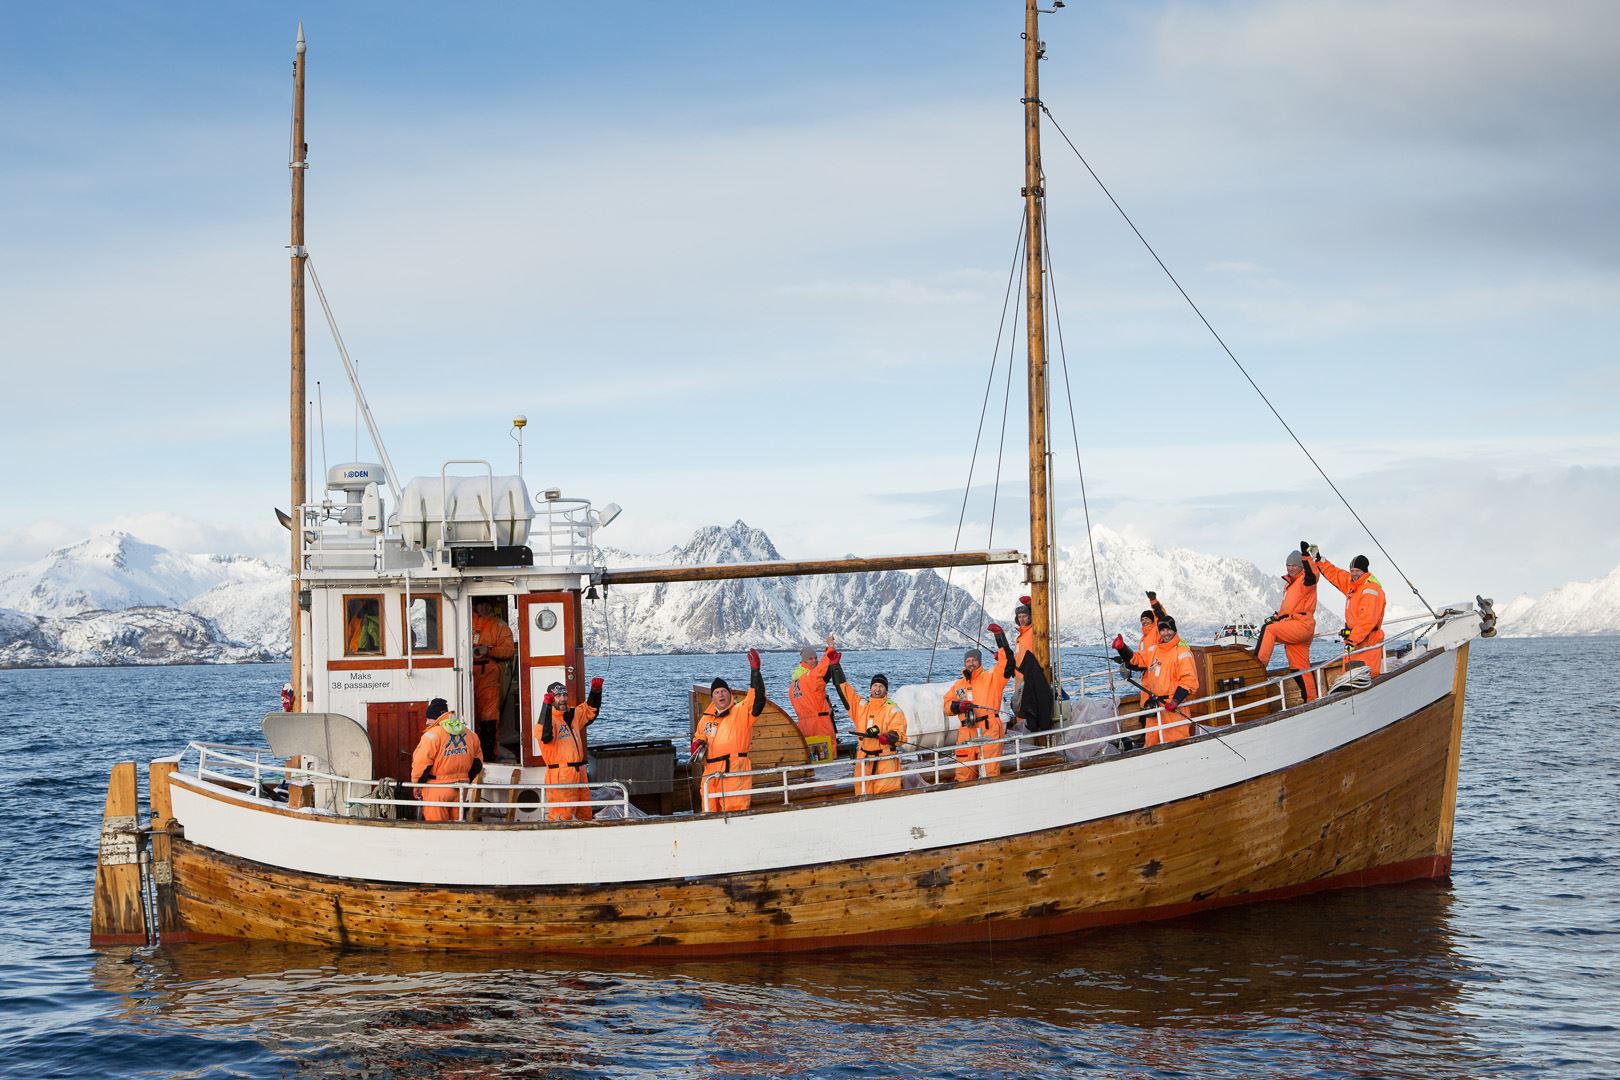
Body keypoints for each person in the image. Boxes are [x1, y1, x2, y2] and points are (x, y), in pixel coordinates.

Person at [692, 649, 768, 813]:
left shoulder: (741, 711)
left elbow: (758, 700)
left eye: (724, 691)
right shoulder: (705, 719)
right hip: (710, 772)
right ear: (712, 697)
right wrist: (697, 744)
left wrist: (755, 672)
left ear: (730, 694)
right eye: (717, 692)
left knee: (735, 810)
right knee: (709, 810)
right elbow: (698, 737)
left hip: (734, 769)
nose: (721, 695)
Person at [944, 624, 1016, 781]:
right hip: (966, 732)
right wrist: (958, 706)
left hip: (989, 729)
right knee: (963, 774)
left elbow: (1007, 663)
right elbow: (946, 707)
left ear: (980, 662)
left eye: (974, 660)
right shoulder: (959, 685)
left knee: (990, 772)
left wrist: (1000, 638)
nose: (971, 663)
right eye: (968, 660)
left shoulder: (992, 678)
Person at [827, 657, 908, 796]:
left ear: (886, 690)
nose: (878, 689)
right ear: (870, 688)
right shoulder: (862, 707)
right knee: (862, 794)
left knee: (886, 796)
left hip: (885, 761)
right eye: (875, 685)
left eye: (881, 686)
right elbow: (846, 692)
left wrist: (888, 737)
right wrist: (835, 666)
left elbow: (900, 735)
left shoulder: (893, 709)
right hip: (864, 761)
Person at [1305, 543, 1388, 677]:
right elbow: (1335, 573)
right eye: (1352, 571)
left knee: (1367, 676)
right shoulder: (1352, 584)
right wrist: (1318, 558)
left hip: (1367, 642)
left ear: (1365, 571)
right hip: (1353, 641)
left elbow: (1368, 620)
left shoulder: (1371, 590)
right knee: (1350, 677)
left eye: (1358, 571)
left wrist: (1352, 640)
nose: (1354, 574)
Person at [1116, 615, 1199, 746]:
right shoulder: (1153, 650)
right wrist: (1122, 648)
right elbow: (1137, 660)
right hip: (1155, 707)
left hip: (1173, 707)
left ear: (1175, 630)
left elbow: (1189, 680)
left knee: (1176, 742)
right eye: (1162, 630)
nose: (1166, 633)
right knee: (1151, 743)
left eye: (1168, 630)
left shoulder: (1182, 652)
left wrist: (1175, 701)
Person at [1253, 549, 1319, 703]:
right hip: (1294, 625)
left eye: (1293, 565)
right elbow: (1288, 609)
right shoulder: (1290, 585)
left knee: (1270, 630)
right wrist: (1276, 617)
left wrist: (1306, 557)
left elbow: (1313, 575)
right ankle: (1311, 700)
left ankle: (1257, 666)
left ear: (1301, 567)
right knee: (1299, 667)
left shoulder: (1305, 580)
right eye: (1287, 565)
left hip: (1301, 625)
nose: (1290, 568)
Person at [535, 677, 603, 821]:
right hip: (560, 775)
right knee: (562, 815)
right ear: (551, 699)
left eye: (565, 695)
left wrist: (595, 692)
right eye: (558, 696)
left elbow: (589, 711)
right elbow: (545, 736)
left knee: (585, 813)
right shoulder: (548, 721)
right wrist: (546, 707)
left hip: (579, 772)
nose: (563, 699)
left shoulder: (572, 715)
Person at [410, 698, 483, 822]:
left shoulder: (431, 735)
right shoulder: (471, 735)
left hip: (437, 789)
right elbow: (478, 763)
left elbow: (421, 764)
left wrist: (417, 785)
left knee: (437, 828)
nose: (427, 722)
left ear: (435, 717)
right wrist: (466, 779)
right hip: (461, 789)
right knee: (458, 826)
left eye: (428, 718)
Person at [471, 599, 515, 751]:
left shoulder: (500, 626)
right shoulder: (464, 620)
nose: (485, 606)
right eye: (482, 603)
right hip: (466, 674)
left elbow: (509, 650)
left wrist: (488, 651)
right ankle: (471, 754)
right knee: (469, 714)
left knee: (489, 716)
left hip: (489, 675)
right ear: (475, 605)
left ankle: (489, 754)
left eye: (487, 603)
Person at [789, 634, 837, 760]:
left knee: (811, 759)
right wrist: (830, 647)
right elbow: (822, 668)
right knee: (828, 759)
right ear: (803, 662)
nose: (814, 660)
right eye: (810, 659)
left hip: (804, 726)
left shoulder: (794, 683)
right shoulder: (811, 676)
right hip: (820, 724)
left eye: (815, 657)